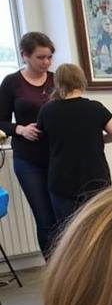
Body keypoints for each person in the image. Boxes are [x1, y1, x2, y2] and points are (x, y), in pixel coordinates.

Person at [36, 63, 112, 229]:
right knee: (98, 227)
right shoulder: (95, 108)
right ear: (81, 81)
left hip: (62, 179)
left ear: (58, 82)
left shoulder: (47, 110)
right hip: (95, 178)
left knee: (68, 231)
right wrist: (98, 140)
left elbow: (42, 139)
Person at [0, 31, 56, 257]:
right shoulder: (12, 83)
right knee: (44, 218)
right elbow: (1, 120)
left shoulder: (56, 80)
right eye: (40, 57)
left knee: (62, 216)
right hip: (28, 160)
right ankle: (53, 271)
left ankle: (70, 270)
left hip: (58, 156)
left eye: (49, 57)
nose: (46, 62)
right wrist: (20, 129)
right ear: (25, 55)